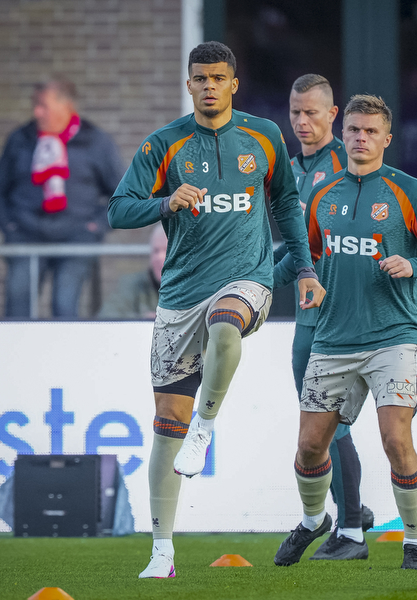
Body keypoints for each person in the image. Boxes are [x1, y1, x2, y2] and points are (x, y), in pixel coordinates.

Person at [108, 41, 325, 579]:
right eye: (200, 78)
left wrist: (303, 268)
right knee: (166, 427)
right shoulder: (164, 144)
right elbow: (118, 210)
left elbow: (285, 204)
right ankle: (162, 552)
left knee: (226, 322)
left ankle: (205, 427)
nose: (209, 86)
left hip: (246, 281)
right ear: (189, 85)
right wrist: (165, 202)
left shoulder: (264, 136)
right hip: (180, 295)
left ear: (234, 84)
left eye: (218, 78)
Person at [272, 94, 417, 570]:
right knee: (310, 446)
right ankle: (314, 520)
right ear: (343, 133)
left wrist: (413, 265)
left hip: (392, 338)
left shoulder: (408, 190)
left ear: (386, 138)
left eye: (370, 131)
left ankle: (415, 542)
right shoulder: (321, 196)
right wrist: (255, 282)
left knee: (396, 440)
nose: (361, 138)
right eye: (353, 130)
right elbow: (301, 256)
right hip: (331, 339)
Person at [273, 74, 373, 557]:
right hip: (307, 314)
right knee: (318, 424)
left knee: (330, 422)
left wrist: (260, 281)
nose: (301, 121)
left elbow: (326, 245)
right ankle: (351, 510)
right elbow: (295, 245)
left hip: (342, 315)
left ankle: (351, 526)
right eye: (295, 112)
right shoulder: (290, 169)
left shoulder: (346, 164)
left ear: (333, 114)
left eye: (311, 112)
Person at [0, 77, 124, 318]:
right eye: (35, 105)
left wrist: (97, 225)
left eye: (43, 106)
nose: (36, 112)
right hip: (26, 235)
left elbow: (123, 192)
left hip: (76, 237)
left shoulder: (95, 141)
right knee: (17, 308)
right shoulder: (21, 139)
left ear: (66, 106)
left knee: (64, 306)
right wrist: (9, 226)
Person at [97, 226, 167, 319]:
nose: (159, 257)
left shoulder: (187, 289)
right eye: (156, 251)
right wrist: (141, 320)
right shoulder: (133, 284)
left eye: (168, 250)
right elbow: (106, 317)